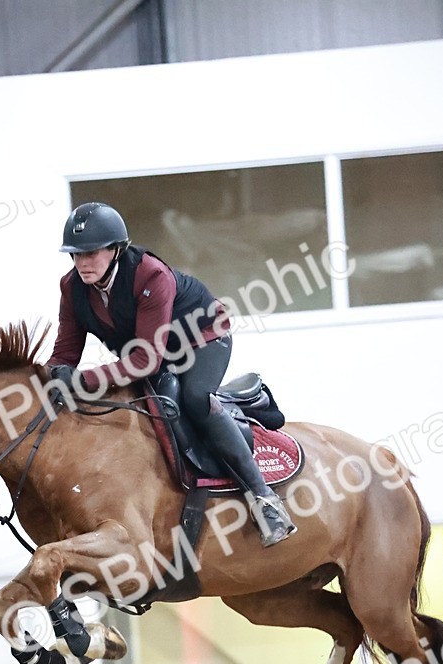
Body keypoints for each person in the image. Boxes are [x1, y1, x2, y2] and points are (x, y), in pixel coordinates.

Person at [48, 201, 297, 548]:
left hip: (202, 339)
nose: (82, 262)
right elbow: (65, 355)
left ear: (116, 249)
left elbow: (146, 360)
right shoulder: (71, 287)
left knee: (194, 398)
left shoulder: (150, 275)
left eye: (91, 252)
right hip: (154, 353)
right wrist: (44, 382)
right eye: (76, 254)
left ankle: (265, 500)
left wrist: (82, 381)